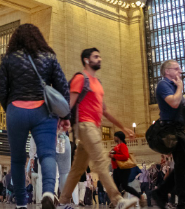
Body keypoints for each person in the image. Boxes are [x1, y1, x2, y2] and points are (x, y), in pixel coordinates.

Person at [0, 23, 70, 209]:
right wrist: (64, 115)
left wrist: (11, 107)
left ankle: (21, 204)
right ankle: (47, 193)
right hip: (43, 111)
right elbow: (63, 88)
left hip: (16, 111)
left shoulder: (9, 59)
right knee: (47, 155)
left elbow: (0, 89)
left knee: (18, 159)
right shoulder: (49, 57)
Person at [59, 48, 138, 209]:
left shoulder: (98, 83)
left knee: (77, 168)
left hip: (94, 127)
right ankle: (118, 200)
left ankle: (63, 202)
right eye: (96, 57)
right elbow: (69, 104)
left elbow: (105, 111)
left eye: (99, 56)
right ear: (87, 60)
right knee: (101, 161)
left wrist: (123, 127)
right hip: (84, 125)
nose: (99, 59)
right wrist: (60, 125)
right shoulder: (80, 78)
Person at [151, 59, 185, 209]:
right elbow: (174, 103)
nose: (180, 71)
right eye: (177, 69)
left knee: (182, 165)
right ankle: (181, 201)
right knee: (182, 164)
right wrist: (180, 87)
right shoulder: (164, 85)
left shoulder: (173, 86)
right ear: (167, 72)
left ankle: (164, 193)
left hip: (179, 129)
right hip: (170, 131)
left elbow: (181, 117)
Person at [111, 131, 144, 205]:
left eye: (115, 136)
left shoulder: (122, 145)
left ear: (118, 137)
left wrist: (114, 156)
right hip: (117, 169)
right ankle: (117, 202)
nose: (114, 138)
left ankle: (139, 196)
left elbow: (125, 156)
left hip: (123, 169)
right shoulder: (116, 146)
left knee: (124, 186)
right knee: (116, 187)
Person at [56, 128, 71, 194]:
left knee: (56, 175)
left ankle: (54, 195)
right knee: (64, 174)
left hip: (59, 141)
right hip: (65, 141)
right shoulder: (67, 138)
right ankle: (64, 198)